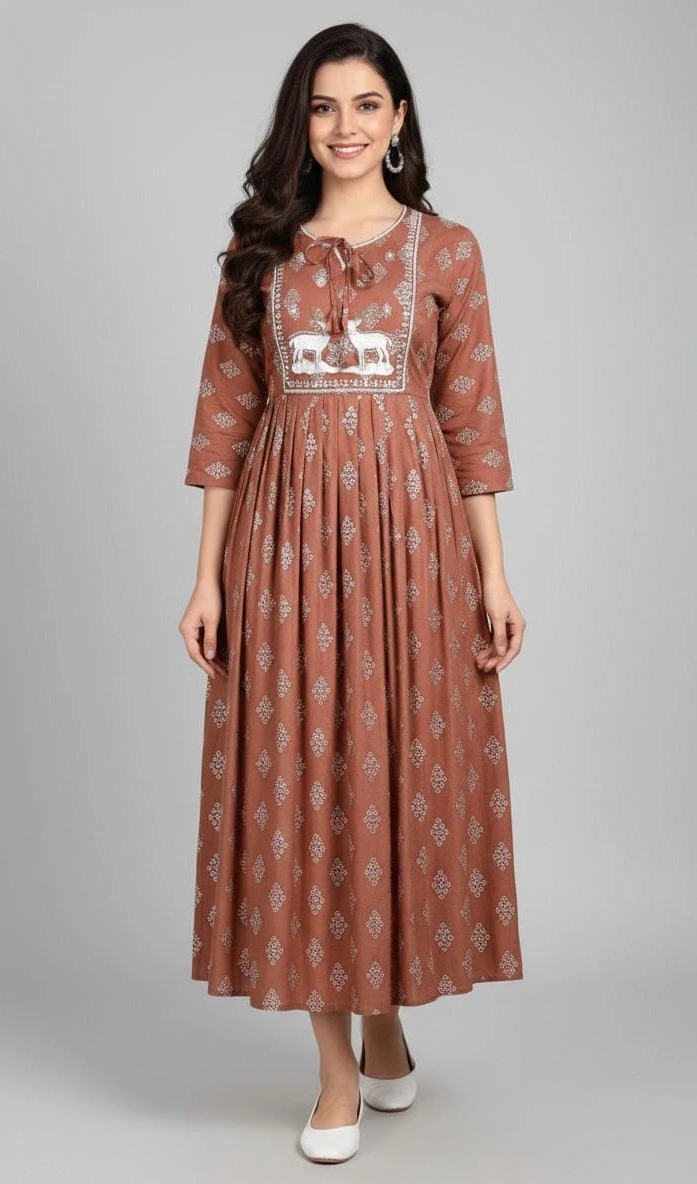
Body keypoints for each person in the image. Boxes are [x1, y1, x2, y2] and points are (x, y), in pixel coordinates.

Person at [178, 21, 526, 1164]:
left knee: (393, 774)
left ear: (399, 118)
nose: (344, 127)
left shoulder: (450, 252)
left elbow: (472, 418)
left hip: (413, 550)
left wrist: (494, 571)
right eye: (323, 107)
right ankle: (337, 1072)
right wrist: (206, 578)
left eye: (367, 105)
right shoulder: (260, 254)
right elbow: (224, 422)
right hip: (285, 551)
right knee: (303, 782)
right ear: (302, 121)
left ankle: (384, 1021)